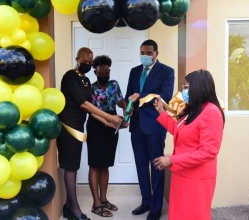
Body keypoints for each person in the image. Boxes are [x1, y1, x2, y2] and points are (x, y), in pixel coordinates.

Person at [57, 48, 122, 220]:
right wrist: (110, 117)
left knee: (76, 166)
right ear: (77, 59)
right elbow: (84, 104)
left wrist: (112, 122)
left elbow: (92, 111)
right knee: (71, 166)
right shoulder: (70, 77)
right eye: (84, 61)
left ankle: (70, 206)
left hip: (80, 127)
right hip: (68, 126)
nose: (86, 64)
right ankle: (76, 208)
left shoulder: (85, 80)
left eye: (89, 62)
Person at [153, 69, 225, 220]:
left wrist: (172, 160)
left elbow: (209, 151)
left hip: (197, 178)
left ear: (198, 88)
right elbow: (178, 131)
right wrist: (161, 111)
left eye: (186, 87)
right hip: (182, 175)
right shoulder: (193, 110)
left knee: (194, 215)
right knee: (179, 215)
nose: (183, 91)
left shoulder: (211, 112)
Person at [125, 39, 175, 220]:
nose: (145, 56)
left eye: (149, 53)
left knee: (157, 166)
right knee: (141, 166)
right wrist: (127, 105)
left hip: (155, 126)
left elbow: (166, 96)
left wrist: (142, 96)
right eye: (142, 52)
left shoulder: (167, 72)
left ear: (156, 54)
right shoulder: (134, 71)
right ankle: (146, 201)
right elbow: (129, 95)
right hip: (137, 125)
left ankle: (156, 207)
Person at [86, 55, 128, 217]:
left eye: (107, 72)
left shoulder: (114, 84)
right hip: (97, 125)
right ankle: (95, 203)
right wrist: (110, 120)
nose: (105, 75)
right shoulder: (90, 88)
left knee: (105, 164)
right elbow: (90, 110)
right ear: (95, 72)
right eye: (101, 73)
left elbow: (119, 101)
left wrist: (125, 107)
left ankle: (103, 199)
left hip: (112, 127)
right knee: (95, 164)